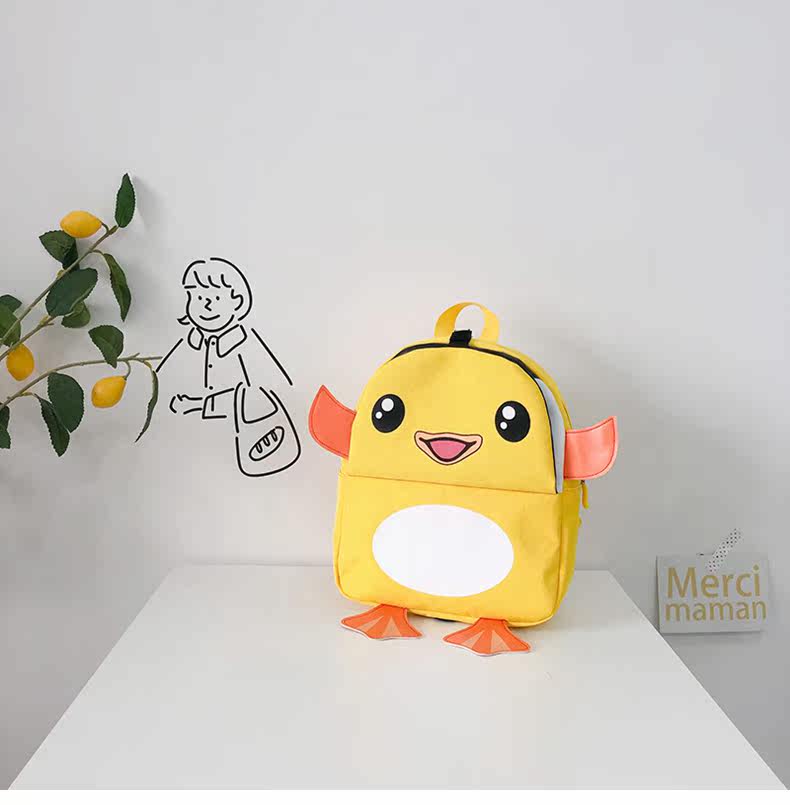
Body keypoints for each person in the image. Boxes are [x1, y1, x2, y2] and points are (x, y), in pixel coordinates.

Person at [157, 256, 301, 476]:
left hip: (246, 433)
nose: (205, 305)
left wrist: (198, 405)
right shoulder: (191, 342)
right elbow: (160, 376)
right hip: (189, 445)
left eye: (214, 297)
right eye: (198, 297)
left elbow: (268, 387)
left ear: (237, 302)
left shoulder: (245, 345)